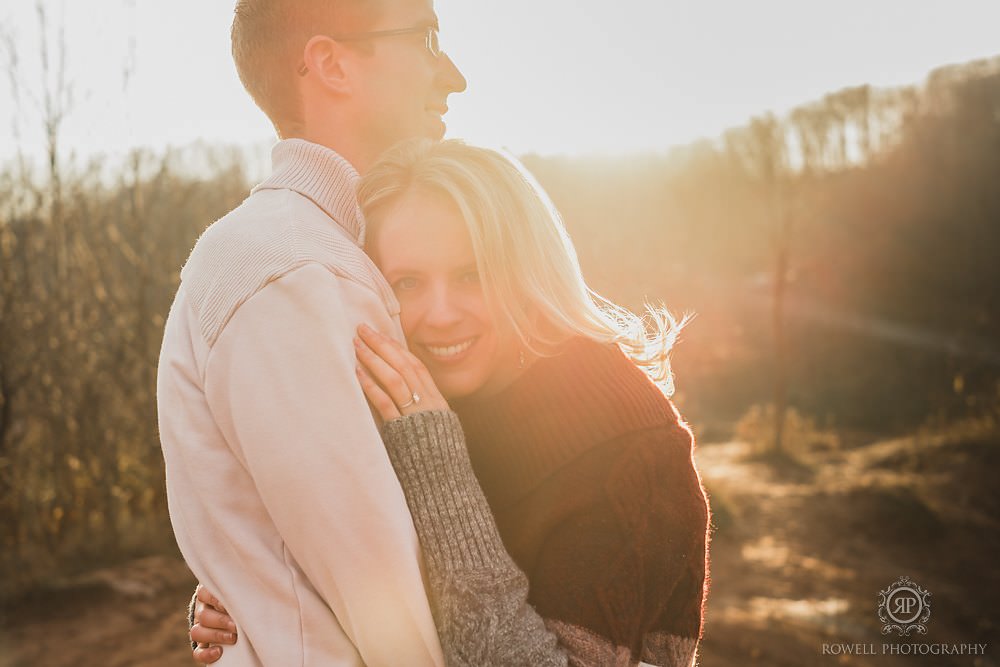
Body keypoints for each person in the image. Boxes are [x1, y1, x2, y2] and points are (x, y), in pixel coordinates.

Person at [185, 139, 711, 666]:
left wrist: (438, 469)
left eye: (471, 275)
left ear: (530, 271)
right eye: (408, 282)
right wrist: (256, 605)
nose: (440, 315)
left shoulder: (627, 446)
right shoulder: (405, 404)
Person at [156, 0, 466, 663]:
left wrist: (250, 576)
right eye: (429, 39)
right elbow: (386, 605)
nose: (455, 75)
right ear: (330, 64)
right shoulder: (290, 271)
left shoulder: (329, 255)